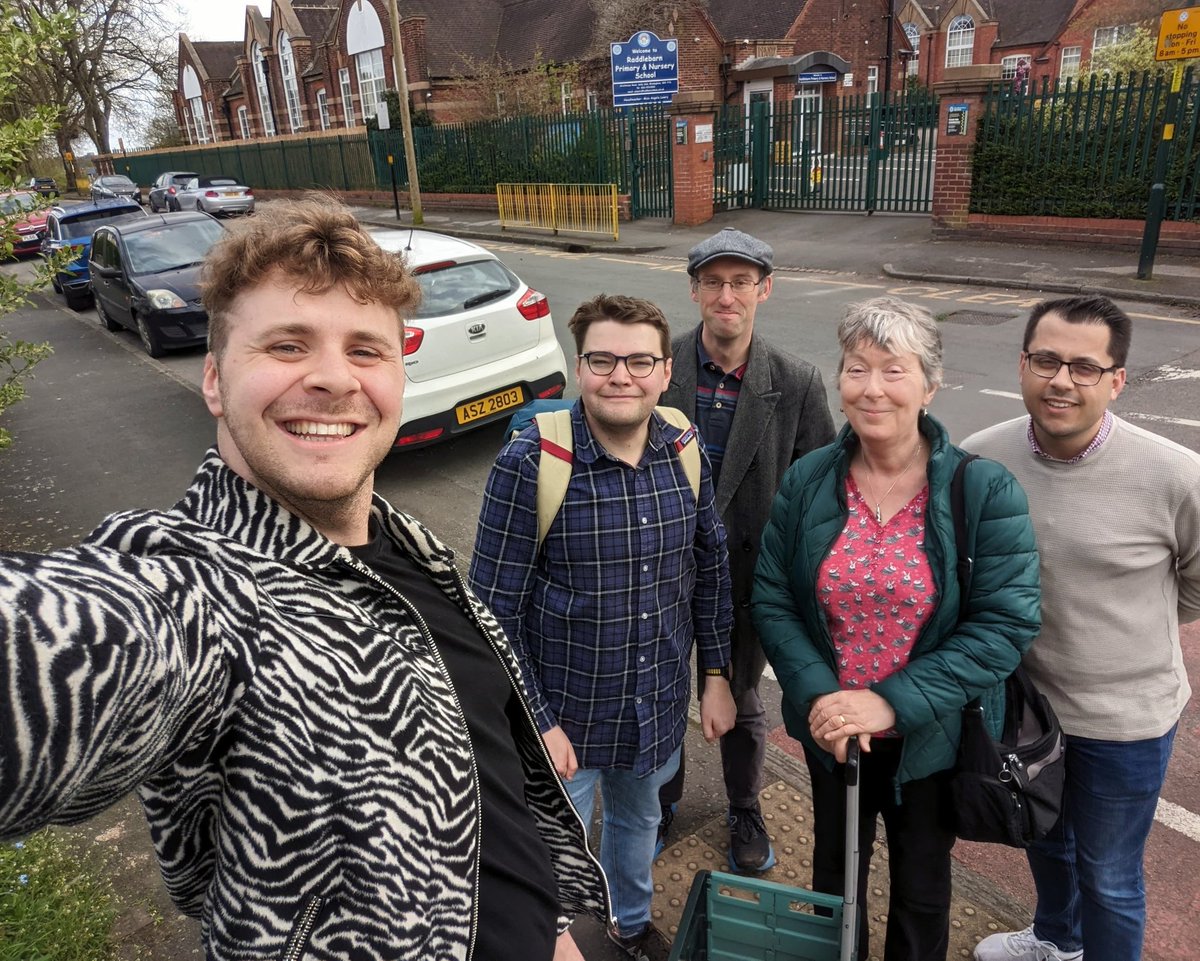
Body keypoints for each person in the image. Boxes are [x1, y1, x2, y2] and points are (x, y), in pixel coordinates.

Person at [0, 199, 608, 961]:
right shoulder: (202, 587)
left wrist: (553, 929)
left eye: (366, 350)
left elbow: (487, 774)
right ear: (215, 381)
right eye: (288, 345)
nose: (333, 378)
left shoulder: (405, 543)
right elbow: (78, 646)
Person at [752, 296, 1041, 961]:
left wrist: (889, 700)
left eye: (892, 369)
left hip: (932, 740)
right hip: (831, 732)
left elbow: (1005, 622)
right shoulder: (809, 479)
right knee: (834, 883)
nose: (871, 387)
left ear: (930, 384)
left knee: (922, 891)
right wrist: (822, 694)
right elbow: (772, 598)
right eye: (856, 368)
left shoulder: (984, 490)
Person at [469, 293, 736, 961]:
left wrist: (716, 675)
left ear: (664, 369)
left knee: (638, 820)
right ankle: (552, 941)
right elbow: (491, 608)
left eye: (640, 359)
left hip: (654, 705)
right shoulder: (532, 461)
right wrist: (538, 718)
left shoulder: (685, 448)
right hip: (562, 718)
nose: (622, 375)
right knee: (544, 844)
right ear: (579, 365)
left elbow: (711, 570)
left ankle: (629, 923)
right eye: (603, 359)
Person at [966, 295, 1200, 961]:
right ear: (1023, 364)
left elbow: (1196, 583)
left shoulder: (1176, 476)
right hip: (1029, 709)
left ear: (1117, 379)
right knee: (1042, 835)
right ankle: (1056, 940)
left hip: (1125, 719)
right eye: (1046, 359)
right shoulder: (982, 459)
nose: (1061, 380)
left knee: (1109, 875)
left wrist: (1137, 625)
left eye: (1084, 366)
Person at [657, 226, 835, 871]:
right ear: (695, 290)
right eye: (713, 281)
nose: (726, 295)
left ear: (764, 289)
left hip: (747, 577)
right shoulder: (660, 366)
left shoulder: (795, 381)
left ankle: (744, 805)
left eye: (740, 282)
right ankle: (660, 802)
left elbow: (819, 492)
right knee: (663, 694)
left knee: (742, 699)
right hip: (663, 573)